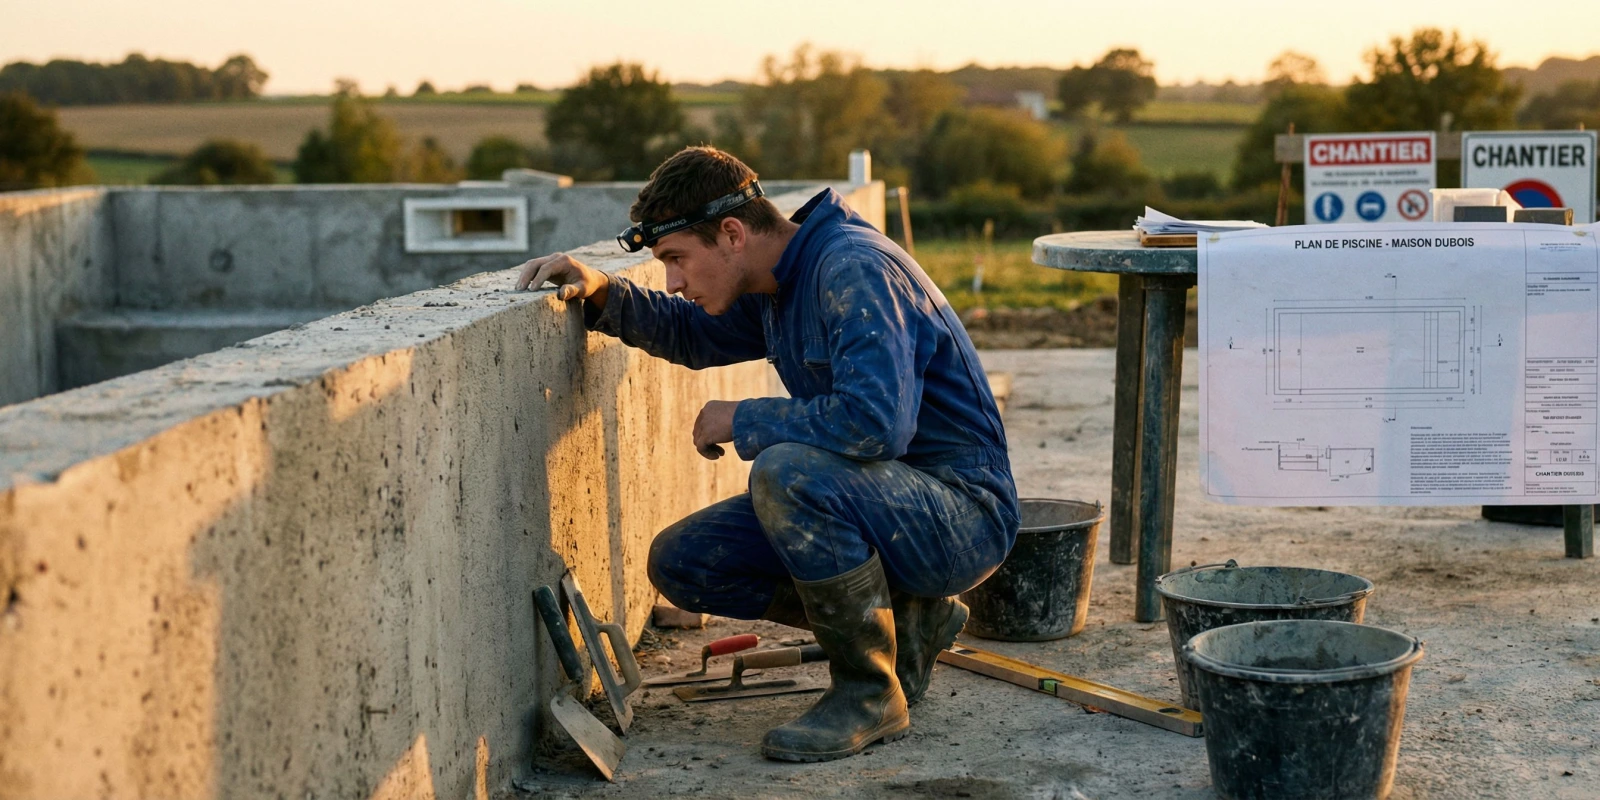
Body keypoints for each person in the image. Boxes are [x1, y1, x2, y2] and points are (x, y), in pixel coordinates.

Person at [515, 146, 1018, 762]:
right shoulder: (781, 279)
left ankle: (868, 693)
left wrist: (742, 417)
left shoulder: (851, 269)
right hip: (888, 504)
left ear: (731, 233)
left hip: (960, 517)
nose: (673, 280)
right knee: (687, 562)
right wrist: (601, 294)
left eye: (677, 260)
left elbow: (874, 426)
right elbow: (695, 333)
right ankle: (910, 623)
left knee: (786, 470)